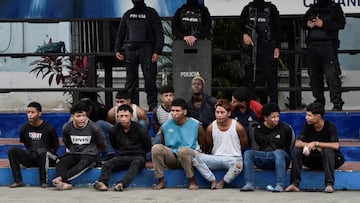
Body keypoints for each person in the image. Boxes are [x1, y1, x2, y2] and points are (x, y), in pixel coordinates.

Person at [115, 0, 164, 111]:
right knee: (130, 80)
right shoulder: (128, 14)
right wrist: (118, 49)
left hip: (147, 49)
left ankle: (152, 105)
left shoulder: (151, 13)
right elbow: (120, 33)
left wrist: (157, 51)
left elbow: (159, 33)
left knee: (150, 78)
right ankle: (131, 106)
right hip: (130, 49)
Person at [285, 102, 345, 193]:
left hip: (331, 160)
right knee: (297, 151)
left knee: (327, 151)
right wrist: (308, 145)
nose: (306, 117)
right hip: (313, 160)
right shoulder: (308, 126)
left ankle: (329, 184)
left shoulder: (330, 126)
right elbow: (297, 143)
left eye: (309, 115)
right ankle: (294, 183)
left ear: (318, 116)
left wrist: (316, 143)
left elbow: (336, 145)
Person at [151, 98, 208, 190]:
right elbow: (163, 144)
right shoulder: (165, 126)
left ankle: (192, 181)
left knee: (183, 150)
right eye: (172, 110)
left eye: (177, 111)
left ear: (184, 112)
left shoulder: (196, 125)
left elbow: (204, 145)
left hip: (190, 156)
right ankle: (161, 181)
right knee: (156, 148)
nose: (174, 113)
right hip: (173, 157)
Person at [192, 99, 248, 189]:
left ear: (229, 113)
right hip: (215, 158)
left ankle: (223, 182)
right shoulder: (211, 127)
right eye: (217, 112)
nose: (219, 115)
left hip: (233, 158)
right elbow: (208, 146)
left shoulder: (238, 127)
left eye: (222, 112)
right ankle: (212, 180)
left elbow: (244, 145)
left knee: (239, 165)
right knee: (195, 158)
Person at [93, 104, 151, 191]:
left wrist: (140, 154)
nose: (123, 118)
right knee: (108, 164)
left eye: (126, 116)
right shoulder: (114, 130)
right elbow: (114, 144)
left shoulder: (140, 129)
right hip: (121, 156)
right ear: (117, 117)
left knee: (136, 164)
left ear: (131, 116)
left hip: (137, 156)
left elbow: (147, 145)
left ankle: (122, 184)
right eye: (121, 116)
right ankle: (103, 183)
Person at [301, 0, 346, 111]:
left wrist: (324, 24)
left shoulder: (335, 8)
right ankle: (319, 102)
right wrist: (307, 24)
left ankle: (336, 103)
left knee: (331, 74)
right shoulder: (313, 8)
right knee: (314, 75)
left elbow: (341, 24)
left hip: (328, 45)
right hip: (312, 45)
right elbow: (302, 22)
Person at [240, 103, 295, 192]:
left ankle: (280, 185)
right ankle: (249, 184)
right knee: (248, 153)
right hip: (264, 157)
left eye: (278, 116)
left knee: (278, 152)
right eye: (273, 117)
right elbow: (256, 146)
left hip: (282, 158)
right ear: (265, 118)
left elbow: (290, 145)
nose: (276, 119)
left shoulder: (285, 128)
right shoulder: (258, 129)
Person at [52, 102, 106, 190]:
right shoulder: (67, 127)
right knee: (60, 164)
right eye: (78, 116)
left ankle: (60, 179)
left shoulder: (94, 128)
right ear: (72, 116)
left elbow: (102, 144)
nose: (81, 119)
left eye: (84, 115)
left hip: (90, 155)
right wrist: (73, 150)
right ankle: (65, 184)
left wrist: (96, 154)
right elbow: (67, 142)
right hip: (74, 153)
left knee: (82, 164)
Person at [8, 102, 59, 188]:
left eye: (33, 112)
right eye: (28, 112)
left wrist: (45, 153)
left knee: (42, 151)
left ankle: (44, 182)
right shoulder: (24, 128)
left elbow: (56, 145)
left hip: (48, 158)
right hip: (32, 156)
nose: (30, 115)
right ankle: (18, 181)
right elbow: (25, 143)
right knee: (12, 151)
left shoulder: (48, 128)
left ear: (39, 113)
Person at [239, 0, 281, 104]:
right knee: (250, 75)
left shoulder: (271, 8)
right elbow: (240, 25)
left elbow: (278, 28)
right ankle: (251, 103)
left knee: (270, 75)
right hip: (251, 47)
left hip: (268, 46)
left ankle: (273, 104)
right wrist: (244, 35)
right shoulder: (247, 8)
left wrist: (277, 46)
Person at [96, 89, 149, 159]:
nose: (119, 104)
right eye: (117, 102)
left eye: (122, 102)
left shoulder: (139, 112)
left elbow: (146, 126)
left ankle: (141, 152)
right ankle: (111, 152)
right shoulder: (112, 112)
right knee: (100, 124)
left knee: (143, 123)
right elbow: (112, 129)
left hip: (135, 135)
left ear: (128, 101)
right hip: (120, 133)